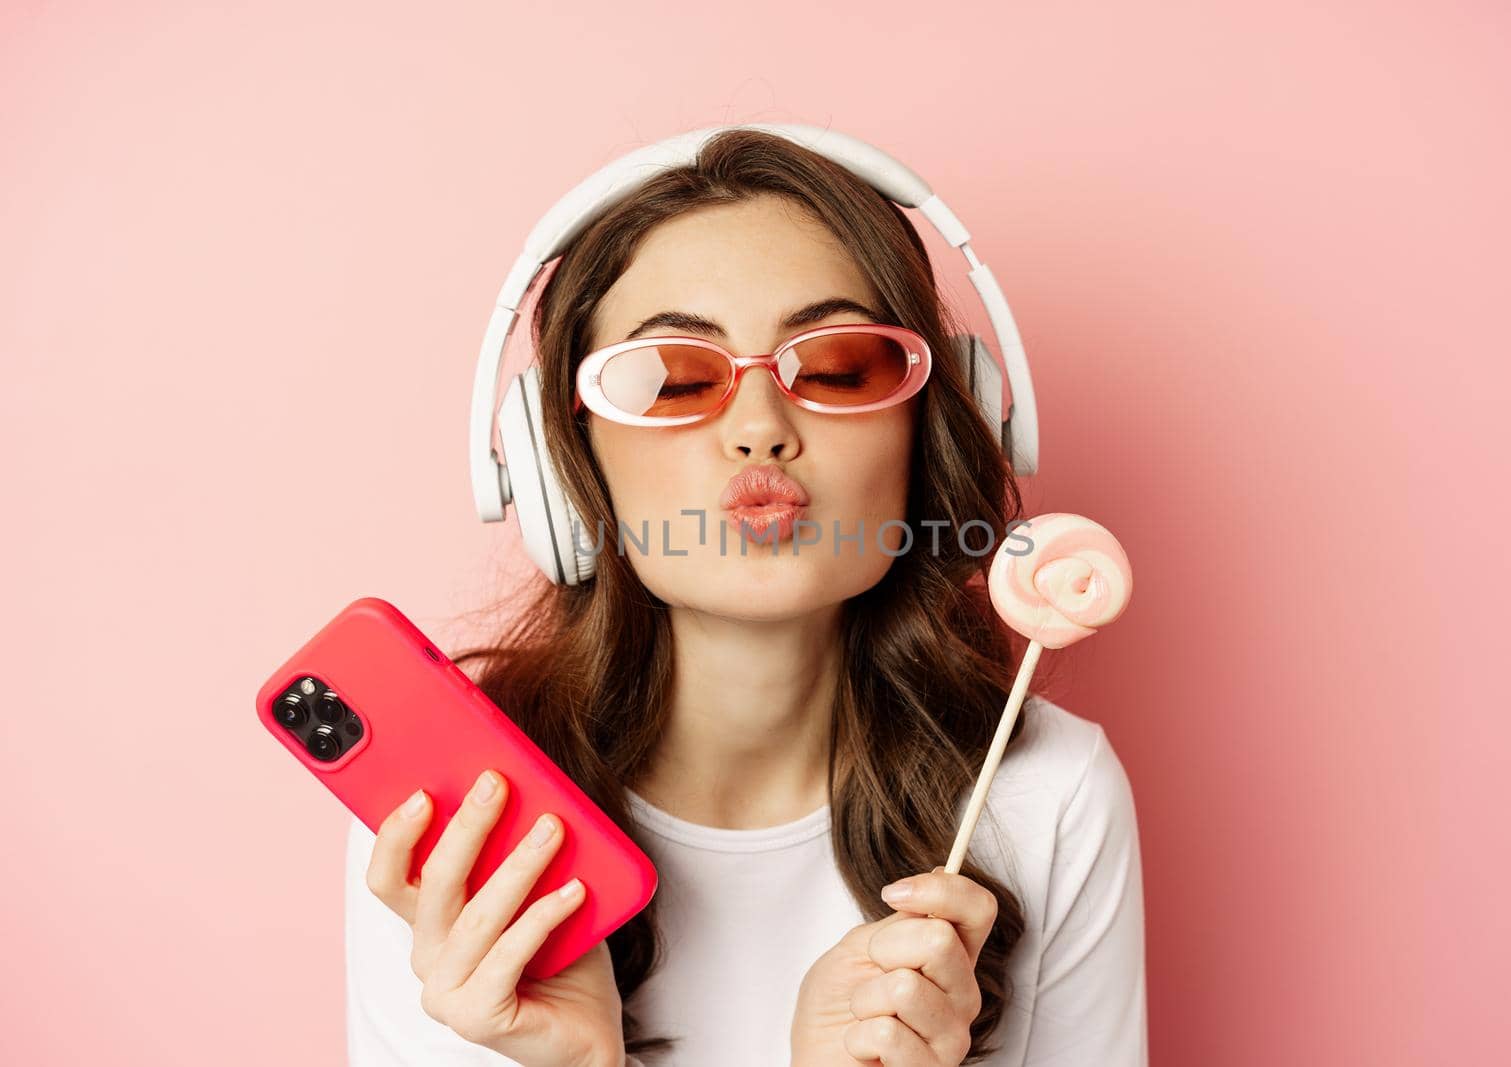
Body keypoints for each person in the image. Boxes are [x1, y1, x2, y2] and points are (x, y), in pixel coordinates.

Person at [344, 128, 1147, 1066]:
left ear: (930, 420)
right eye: (674, 379)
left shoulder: (1048, 797)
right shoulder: (451, 819)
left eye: (841, 366)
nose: (760, 429)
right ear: (560, 464)